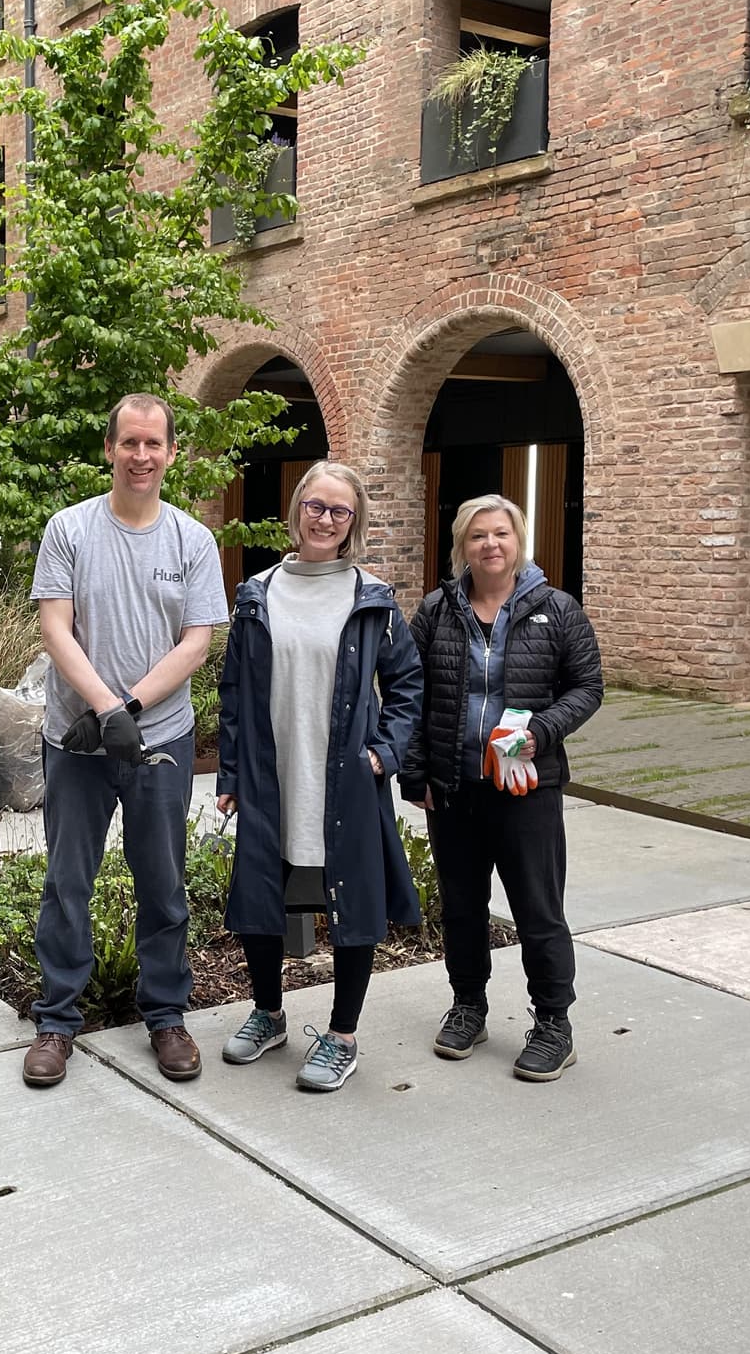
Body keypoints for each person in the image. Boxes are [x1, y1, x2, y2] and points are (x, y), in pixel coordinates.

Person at [22, 393, 228, 1088]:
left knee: (163, 883)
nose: (142, 456)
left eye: (154, 444)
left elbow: (196, 644)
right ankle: (56, 1018)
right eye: (130, 443)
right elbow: (55, 627)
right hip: (75, 740)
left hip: (160, 741)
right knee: (67, 881)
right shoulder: (70, 529)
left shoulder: (192, 541)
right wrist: (103, 708)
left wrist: (128, 709)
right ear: (109, 449)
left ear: (172, 453)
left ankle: (166, 1014)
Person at [214, 461, 424, 1092]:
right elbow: (233, 692)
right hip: (268, 770)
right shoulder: (258, 593)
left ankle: (342, 1036)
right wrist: (229, 772)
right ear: (297, 507)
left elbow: (409, 686)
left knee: (352, 901)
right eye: (316, 505)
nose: (325, 519)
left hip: (346, 776)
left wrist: (383, 754)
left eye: (340, 510)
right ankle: (269, 1014)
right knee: (261, 896)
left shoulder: (373, 599)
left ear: (353, 521)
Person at [398, 493, 602, 1082]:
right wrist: (417, 773)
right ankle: (468, 1006)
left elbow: (588, 686)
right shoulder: (437, 612)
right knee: (462, 907)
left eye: (502, 534)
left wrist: (542, 729)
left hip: (527, 790)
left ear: (519, 542)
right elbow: (412, 695)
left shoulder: (557, 609)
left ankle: (554, 1024)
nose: (491, 544)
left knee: (539, 908)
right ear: (462, 546)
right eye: (478, 535)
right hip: (453, 788)